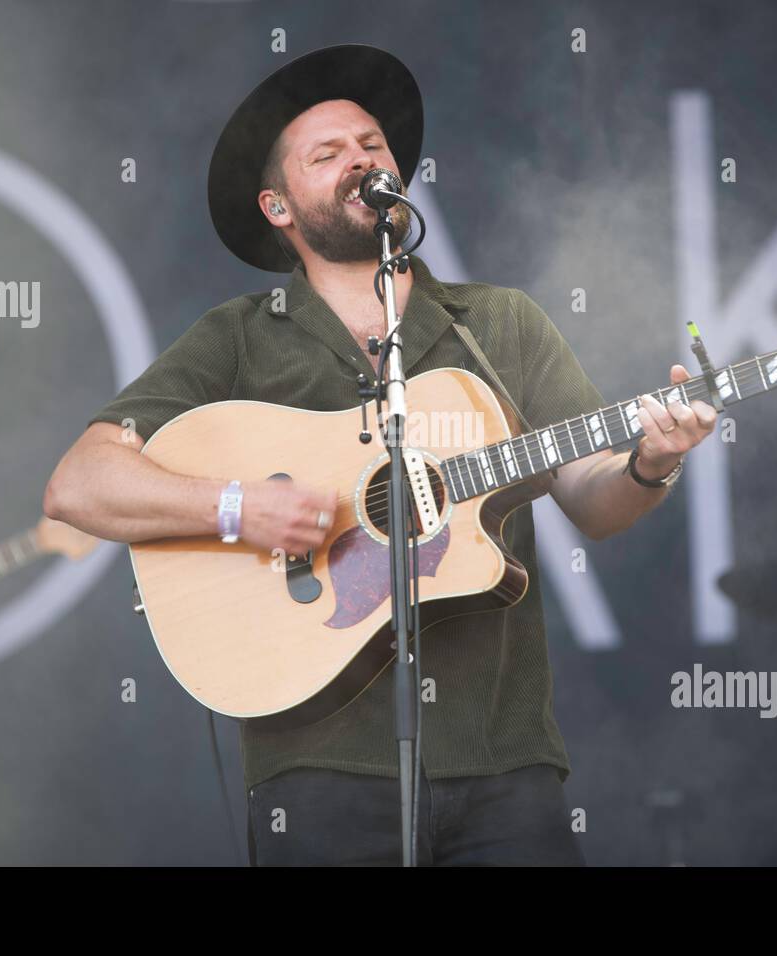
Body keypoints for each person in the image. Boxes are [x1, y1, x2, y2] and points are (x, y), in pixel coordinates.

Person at [43, 44, 717, 865]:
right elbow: (81, 482)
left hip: (501, 759)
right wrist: (238, 507)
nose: (361, 160)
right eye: (326, 155)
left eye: (372, 145)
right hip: (315, 771)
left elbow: (591, 496)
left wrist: (651, 463)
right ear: (279, 207)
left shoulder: (498, 322)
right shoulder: (239, 339)